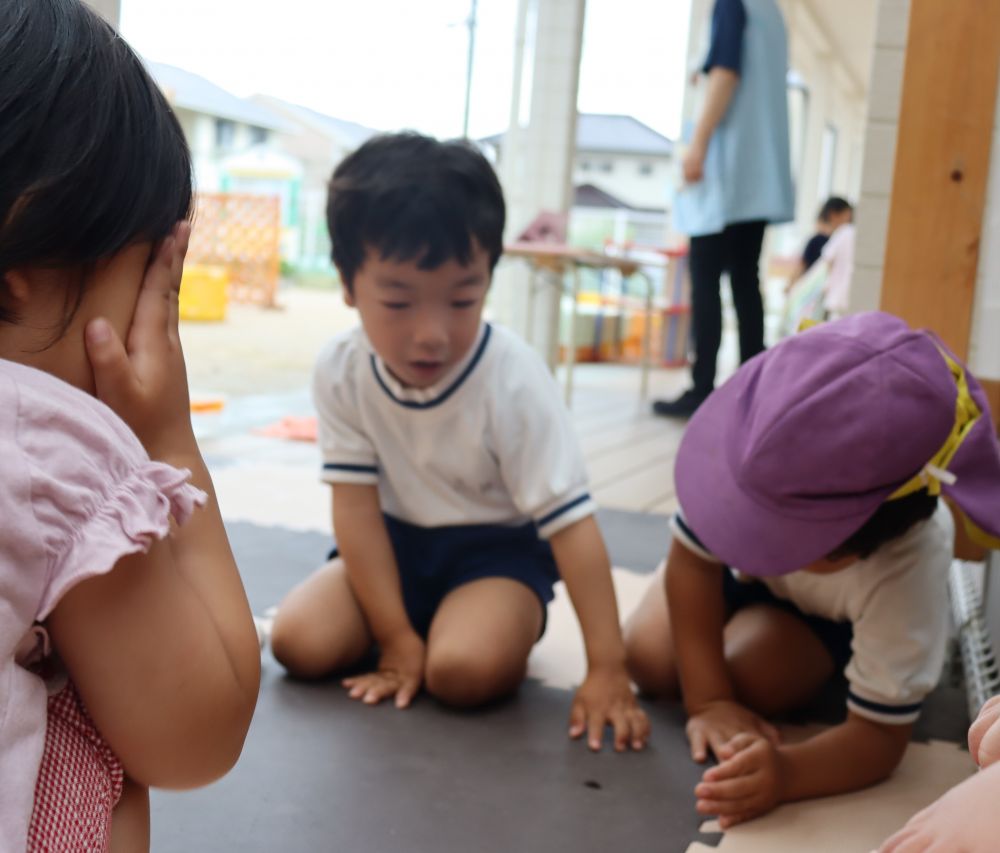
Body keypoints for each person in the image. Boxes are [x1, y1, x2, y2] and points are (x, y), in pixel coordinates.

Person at [269, 133, 649, 753]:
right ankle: (410, 629)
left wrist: (607, 667)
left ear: (488, 279)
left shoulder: (514, 379)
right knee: (298, 641)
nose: (432, 334)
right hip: (392, 548)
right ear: (346, 283)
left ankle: (467, 628)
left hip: (494, 558)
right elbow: (356, 511)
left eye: (463, 299)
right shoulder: (341, 368)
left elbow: (572, 526)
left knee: (463, 673)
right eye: (397, 301)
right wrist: (393, 636)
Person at [0, 1, 262, 849]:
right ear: (20, 268)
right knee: (106, 746)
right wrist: (168, 441)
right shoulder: (49, 446)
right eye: (152, 278)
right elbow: (200, 731)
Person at [624, 312, 1000, 827]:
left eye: (774, 532)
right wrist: (707, 700)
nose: (748, 533)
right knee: (646, 659)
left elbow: (878, 738)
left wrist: (786, 773)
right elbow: (691, 558)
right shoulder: (753, 456)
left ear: (853, 547)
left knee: (753, 678)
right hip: (735, 584)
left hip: (818, 625)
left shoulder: (907, 564)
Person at [654, 0, 795, 418]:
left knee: (705, 278)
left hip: (726, 173)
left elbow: (726, 73)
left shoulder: (731, 4)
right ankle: (755, 388)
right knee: (746, 282)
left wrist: (697, 143)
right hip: (759, 173)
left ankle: (702, 388)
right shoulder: (771, 12)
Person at [786, 197, 853, 290]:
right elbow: (802, 266)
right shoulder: (818, 240)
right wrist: (790, 286)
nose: (849, 222)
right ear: (833, 215)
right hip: (814, 291)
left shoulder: (834, 240)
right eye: (847, 216)